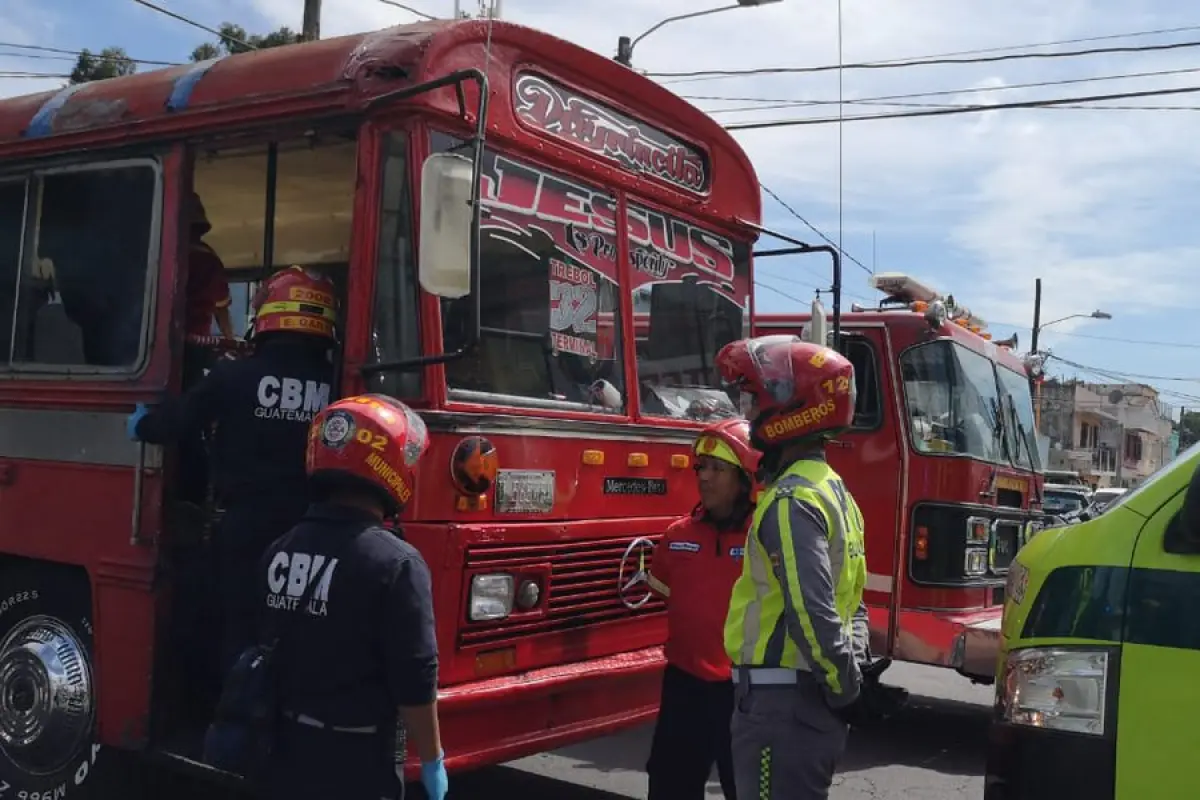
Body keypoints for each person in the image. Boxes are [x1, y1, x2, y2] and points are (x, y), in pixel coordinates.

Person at [127, 265, 339, 674]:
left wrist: (141, 423)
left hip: (247, 526)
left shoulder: (235, 375)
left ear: (267, 314)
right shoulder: (340, 384)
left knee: (238, 626)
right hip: (314, 528)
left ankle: (236, 717)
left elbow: (178, 422)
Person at [258, 394, 446, 800]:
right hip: (357, 762)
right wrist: (432, 760)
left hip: (283, 750)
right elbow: (416, 677)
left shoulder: (280, 550)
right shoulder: (398, 564)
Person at [717, 334, 868, 800]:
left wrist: (845, 687)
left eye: (756, 403)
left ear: (793, 409)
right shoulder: (834, 491)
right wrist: (850, 677)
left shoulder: (791, 502)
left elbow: (813, 613)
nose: (751, 416)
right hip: (800, 704)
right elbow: (855, 606)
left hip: (780, 707)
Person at [645, 418, 759, 800]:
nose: (704, 478)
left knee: (742, 788)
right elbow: (665, 592)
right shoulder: (677, 537)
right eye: (701, 467)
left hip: (742, 692)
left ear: (744, 479)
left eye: (717, 469)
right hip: (684, 685)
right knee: (668, 784)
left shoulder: (764, 537)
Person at [186, 192, 235, 346]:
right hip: (194, 342)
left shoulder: (153, 253)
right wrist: (230, 340)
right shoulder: (207, 258)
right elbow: (222, 306)